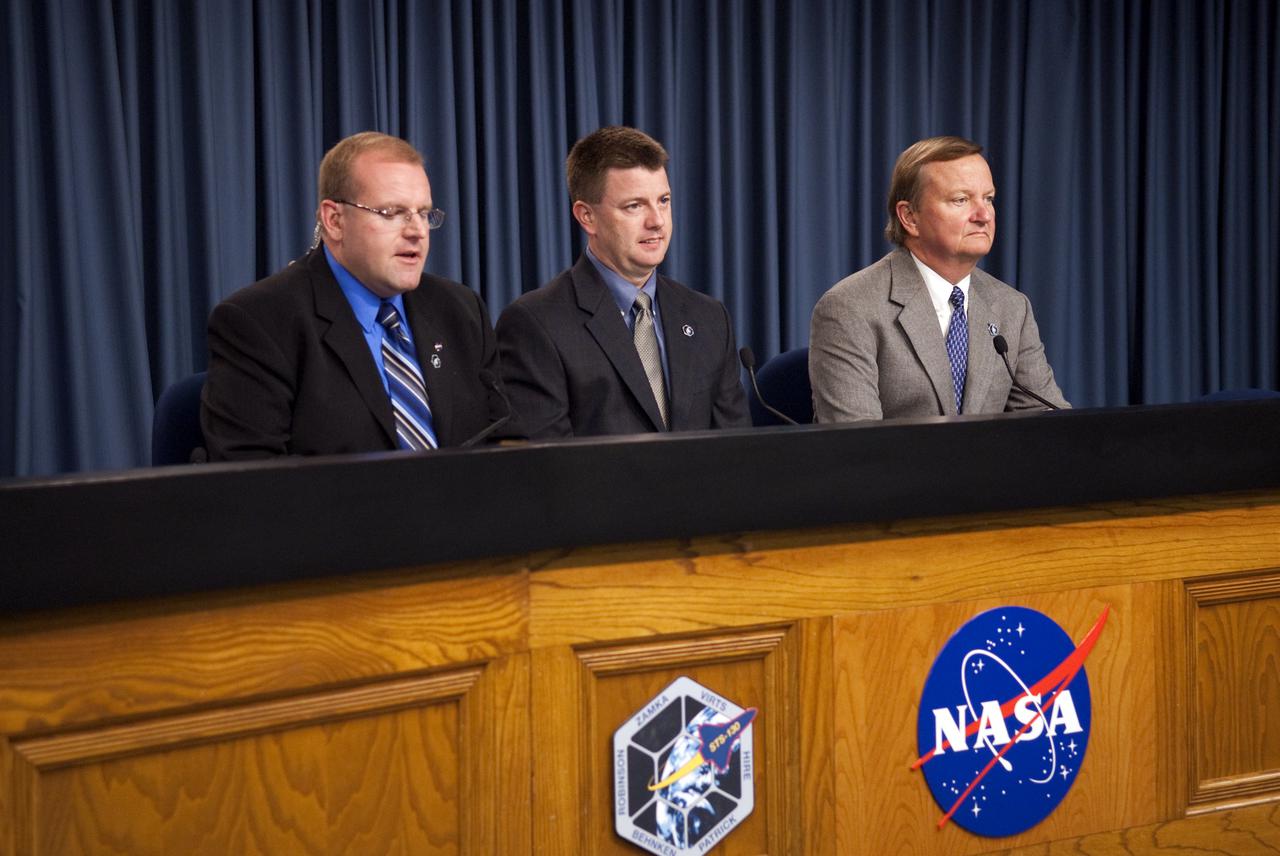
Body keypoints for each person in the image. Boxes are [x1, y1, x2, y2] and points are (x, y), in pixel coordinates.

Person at [202, 132, 503, 459]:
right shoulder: (260, 322)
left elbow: (505, 440)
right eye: (392, 213)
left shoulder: (459, 310)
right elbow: (250, 483)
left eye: (423, 214)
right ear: (334, 220)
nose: (416, 231)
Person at [496, 126, 750, 438]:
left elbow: (734, 455)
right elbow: (547, 472)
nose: (656, 220)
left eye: (664, 200)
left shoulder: (709, 318)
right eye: (635, 206)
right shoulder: (536, 325)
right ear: (587, 216)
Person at [809, 136, 1069, 422]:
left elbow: (1050, 426)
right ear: (909, 217)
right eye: (961, 200)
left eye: (989, 199)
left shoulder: (1011, 307)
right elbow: (857, 449)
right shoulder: (850, 308)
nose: (984, 215)